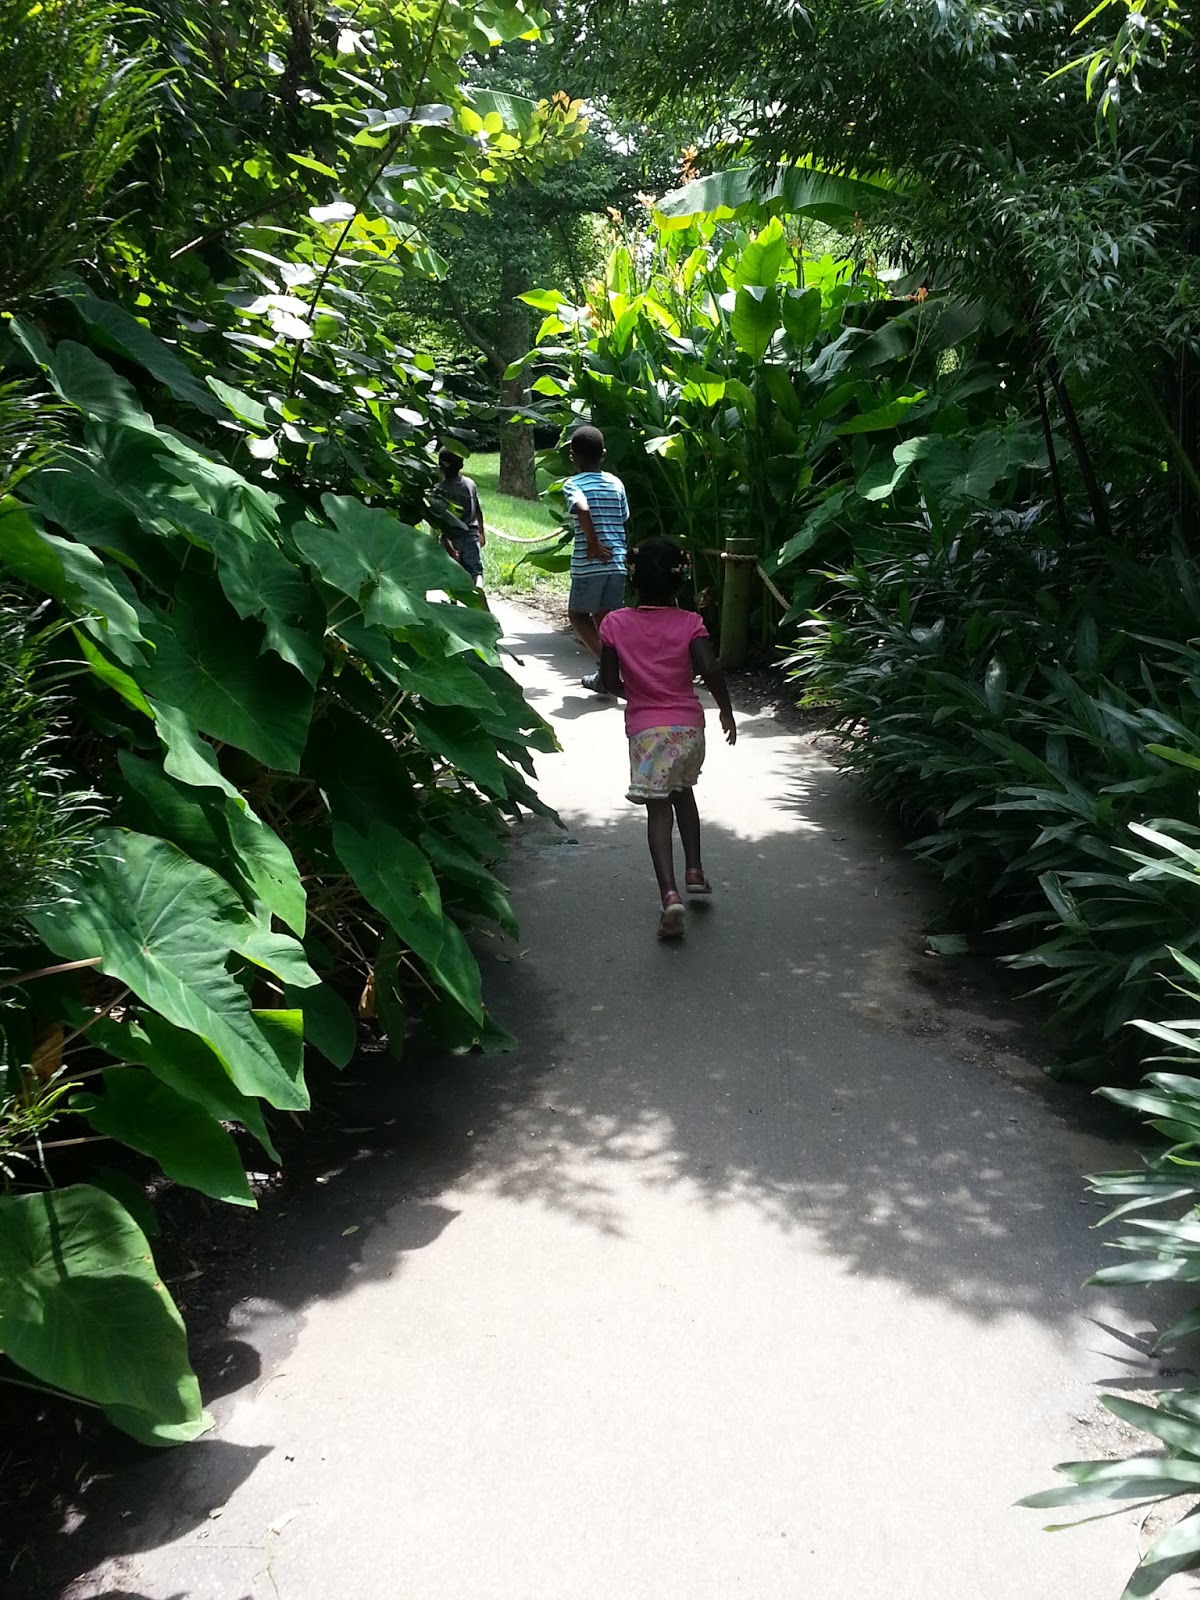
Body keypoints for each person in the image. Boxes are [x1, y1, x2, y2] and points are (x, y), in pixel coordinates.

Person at [598, 537, 737, 940]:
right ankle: (694, 870)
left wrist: (638, 694)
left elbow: (608, 679)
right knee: (684, 793)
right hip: (688, 730)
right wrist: (726, 710)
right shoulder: (690, 622)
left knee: (659, 811)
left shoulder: (614, 624)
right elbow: (710, 668)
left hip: (647, 731)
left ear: (634, 579)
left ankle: (670, 895)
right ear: (680, 581)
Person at [562, 424, 628, 692]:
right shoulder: (616, 483)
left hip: (589, 565)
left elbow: (582, 507)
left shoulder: (573, 483)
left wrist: (593, 544)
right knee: (606, 619)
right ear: (603, 454)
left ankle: (609, 665)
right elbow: (623, 521)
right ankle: (604, 678)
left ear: (573, 456)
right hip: (617, 562)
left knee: (577, 616)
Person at [433, 447, 487, 585]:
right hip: (471, 536)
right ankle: (479, 593)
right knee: (475, 572)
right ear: (461, 465)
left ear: (440, 466)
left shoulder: (440, 489)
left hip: (452, 537)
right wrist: (481, 533)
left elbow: (442, 519)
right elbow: (478, 510)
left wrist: (446, 541)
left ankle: (454, 598)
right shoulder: (470, 484)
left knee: (450, 574)